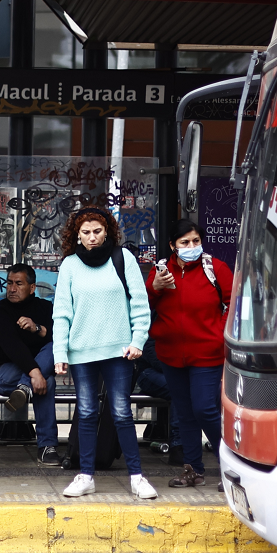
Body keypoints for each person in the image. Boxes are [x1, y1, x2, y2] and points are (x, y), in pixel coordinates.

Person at [52, 207, 157, 499]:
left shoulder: (123, 259)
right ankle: (85, 475)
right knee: (85, 412)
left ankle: (137, 477)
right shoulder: (70, 265)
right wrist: (60, 353)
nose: (92, 237)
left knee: (122, 412)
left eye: (97, 231)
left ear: (107, 230)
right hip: (81, 351)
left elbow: (140, 303)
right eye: (85, 232)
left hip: (119, 350)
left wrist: (138, 340)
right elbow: (61, 313)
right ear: (77, 235)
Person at [147, 219, 233, 489]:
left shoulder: (216, 268)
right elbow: (143, 304)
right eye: (184, 242)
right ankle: (193, 469)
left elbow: (233, 304)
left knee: (205, 409)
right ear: (173, 245)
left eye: (195, 241)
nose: (191, 246)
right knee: (184, 413)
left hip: (208, 353)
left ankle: (230, 467)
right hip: (171, 354)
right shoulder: (160, 271)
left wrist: (219, 335)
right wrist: (156, 287)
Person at [0, 262, 59, 466]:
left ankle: (47, 446)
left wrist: (37, 328)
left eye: (18, 283)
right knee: (45, 381)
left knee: (54, 354)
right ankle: (47, 445)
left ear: (32, 288)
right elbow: (13, 347)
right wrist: (35, 373)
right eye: (9, 283)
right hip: (4, 373)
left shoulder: (44, 308)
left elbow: (60, 337)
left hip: (29, 375)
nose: (12, 288)